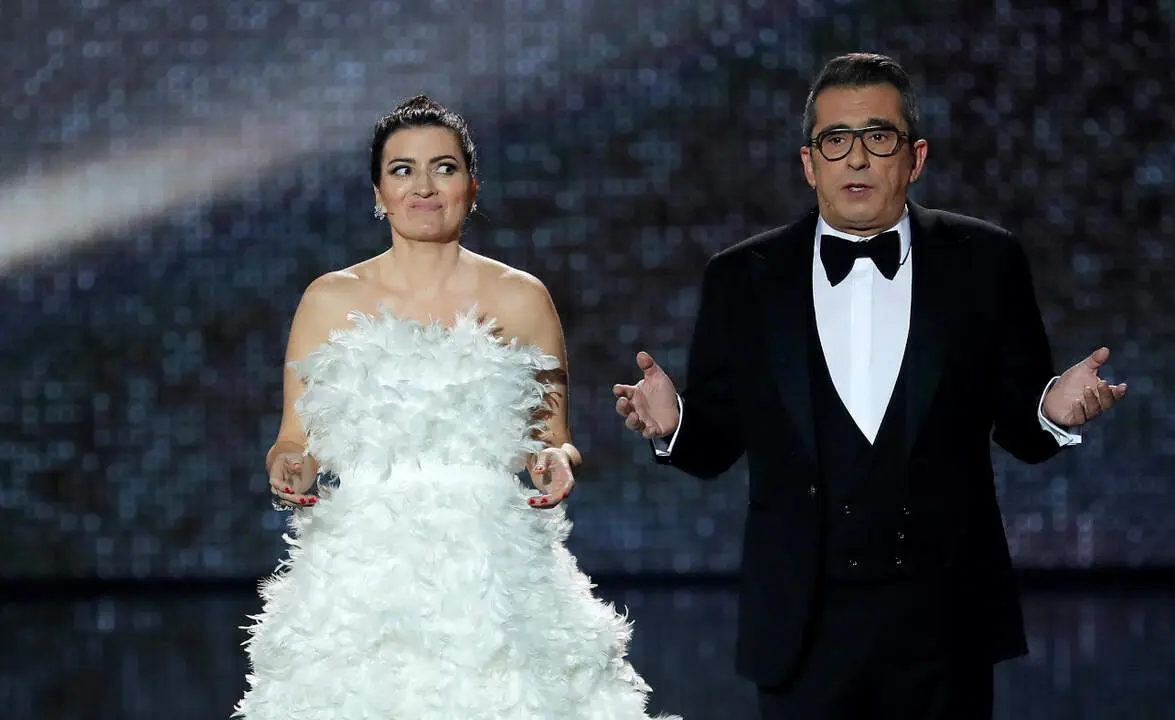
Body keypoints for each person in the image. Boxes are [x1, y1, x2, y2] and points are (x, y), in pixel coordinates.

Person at [612, 53, 1127, 719]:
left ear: (914, 158)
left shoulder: (985, 261)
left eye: (877, 138)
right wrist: (673, 423)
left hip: (944, 623)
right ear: (809, 162)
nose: (856, 159)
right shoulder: (742, 277)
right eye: (836, 140)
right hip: (800, 624)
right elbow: (715, 444)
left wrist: (1052, 408)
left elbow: (1019, 423)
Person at [235, 95, 678, 720]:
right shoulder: (328, 300)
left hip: (493, 574)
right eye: (402, 170)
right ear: (378, 192)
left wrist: (555, 460)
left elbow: (553, 437)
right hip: (362, 577)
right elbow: (294, 442)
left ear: (472, 186)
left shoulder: (522, 298)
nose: (423, 186)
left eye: (442, 168)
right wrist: (291, 469)